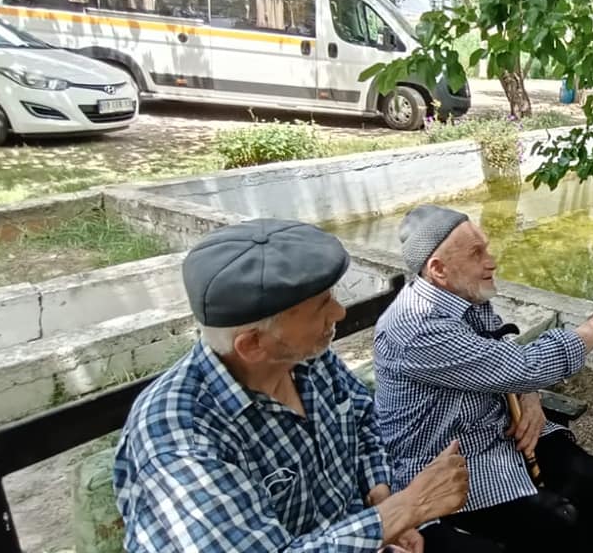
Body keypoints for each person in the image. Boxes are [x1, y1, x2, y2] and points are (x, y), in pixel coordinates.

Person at [113, 218, 498, 553]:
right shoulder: (180, 442)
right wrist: (402, 510)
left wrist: (381, 496)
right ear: (252, 344)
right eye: (322, 306)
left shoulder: (304, 358)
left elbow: (364, 418)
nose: (340, 312)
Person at [373, 205, 593, 553]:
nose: (491, 261)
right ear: (439, 269)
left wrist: (528, 391)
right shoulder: (418, 328)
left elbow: (501, 345)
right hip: (450, 459)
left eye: (486, 247)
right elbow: (522, 364)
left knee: (589, 478)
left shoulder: (461, 293)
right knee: (556, 523)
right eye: (477, 253)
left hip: (497, 427)